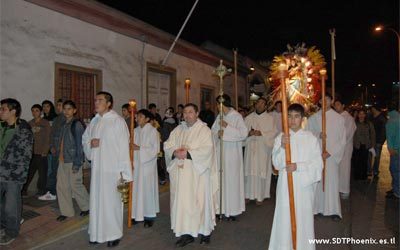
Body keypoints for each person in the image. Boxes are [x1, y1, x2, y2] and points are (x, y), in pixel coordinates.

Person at [269, 103, 323, 250]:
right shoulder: (281, 137)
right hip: (286, 186)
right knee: (284, 217)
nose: (293, 120)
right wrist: (281, 147)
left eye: (296, 116)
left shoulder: (310, 139)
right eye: (290, 116)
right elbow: (276, 164)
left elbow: (318, 165)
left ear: (302, 118)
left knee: (303, 218)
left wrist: (298, 166)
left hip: (304, 188)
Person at [82, 91, 132, 247]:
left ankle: (114, 234)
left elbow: (124, 148)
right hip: (97, 171)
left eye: (100, 100)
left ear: (109, 103)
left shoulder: (117, 121)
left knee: (111, 203)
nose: (96, 102)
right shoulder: (94, 121)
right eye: (95, 100)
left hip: (113, 170)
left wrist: (124, 173)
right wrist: (91, 143)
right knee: (97, 201)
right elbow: (85, 139)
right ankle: (97, 232)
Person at [164, 103, 218, 247]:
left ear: (197, 113)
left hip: (198, 174)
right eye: (185, 113)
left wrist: (188, 153)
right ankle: (186, 233)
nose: (187, 115)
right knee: (183, 203)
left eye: (190, 112)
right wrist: (174, 152)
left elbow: (208, 150)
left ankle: (205, 232)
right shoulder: (178, 129)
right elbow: (167, 145)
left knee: (199, 202)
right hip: (181, 175)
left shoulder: (204, 130)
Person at [305, 94, 346, 221]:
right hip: (318, 155)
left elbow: (342, 140)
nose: (324, 102)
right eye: (322, 100)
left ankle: (333, 210)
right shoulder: (313, 118)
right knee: (318, 182)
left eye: (327, 100)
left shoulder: (338, 119)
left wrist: (330, 152)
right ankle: (317, 208)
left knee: (331, 183)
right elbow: (308, 135)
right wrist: (318, 135)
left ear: (331, 101)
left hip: (331, 157)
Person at [0, 98, 33, 245]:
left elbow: (25, 157)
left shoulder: (23, 130)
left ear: (13, 111)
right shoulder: (2, 127)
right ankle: (4, 224)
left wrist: (17, 177)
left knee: (11, 206)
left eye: (3, 109)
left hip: (13, 174)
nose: (0, 111)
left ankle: (11, 232)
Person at [211, 94, 248, 220]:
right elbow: (213, 132)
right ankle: (219, 208)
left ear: (222, 104)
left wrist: (227, 128)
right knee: (220, 181)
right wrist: (217, 134)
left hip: (232, 155)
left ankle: (232, 210)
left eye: (217, 104)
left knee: (231, 182)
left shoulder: (236, 116)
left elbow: (243, 134)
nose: (216, 107)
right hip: (220, 154)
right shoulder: (218, 117)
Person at [55, 100, 89, 222]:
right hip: (62, 159)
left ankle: (86, 207)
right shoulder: (64, 124)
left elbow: (80, 145)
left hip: (73, 160)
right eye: (65, 109)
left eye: (69, 109)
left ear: (74, 110)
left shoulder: (77, 125)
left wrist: (78, 162)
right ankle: (67, 212)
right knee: (62, 186)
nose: (66, 111)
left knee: (76, 185)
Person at [244, 97, 277, 205]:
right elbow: (242, 132)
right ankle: (248, 195)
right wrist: (249, 133)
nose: (259, 105)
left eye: (262, 103)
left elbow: (273, 133)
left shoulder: (270, 118)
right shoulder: (248, 118)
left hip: (263, 149)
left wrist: (262, 133)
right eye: (258, 103)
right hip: (250, 148)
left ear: (265, 106)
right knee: (249, 171)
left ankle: (260, 196)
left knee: (261, 171)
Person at [131, 109, 160, 227]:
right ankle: (136, 215)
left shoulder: (153, 132)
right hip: (136, 165)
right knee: (136, 191)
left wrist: (139, 148)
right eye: (137, 116)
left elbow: (155, 150)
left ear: (147, 119)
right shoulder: (134, 131)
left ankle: (149, 215)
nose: (137, 118)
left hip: (147, 166)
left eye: (140, 116)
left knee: (147, 191)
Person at [22, 104, 51, 197]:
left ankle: (41, 190)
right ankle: (24, 190)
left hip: (41, 152)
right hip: (31, 152)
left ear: (41, 112)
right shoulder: (29, 123)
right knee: (29, 172)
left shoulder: (45, 123)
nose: (34, 113)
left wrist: (45, 150)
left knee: (42, 173)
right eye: (33, 111)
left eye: (37, 111)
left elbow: (48, 138)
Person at [39, 99, 65, 200]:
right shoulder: (57, 119)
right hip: (55, 150)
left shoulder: (68, 120)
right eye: (57, 105)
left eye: (60, 105)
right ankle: (52, 192)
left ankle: (54, 192)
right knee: (53, 172)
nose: (58, 107)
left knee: (56, 172)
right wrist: (51, 146)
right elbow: (52, 135)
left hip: (62, 151)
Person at [333, 99, 356, 199]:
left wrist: (338, 142)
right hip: (338, 147)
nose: (336, 106)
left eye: (338, 104)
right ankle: (339, 188)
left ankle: (345, 190)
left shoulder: (348, 118)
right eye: (335, 105)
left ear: (343, 105)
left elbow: (348, 134)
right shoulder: (337, 117)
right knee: (338, 168)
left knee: (345, 168)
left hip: (345, 147)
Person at [352, 109, 376, 180]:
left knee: (364, 161)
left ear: (365, 115)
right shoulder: (354, 123)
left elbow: (373, 134)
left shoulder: (369, 124)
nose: (361, 115)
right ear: (358, 115)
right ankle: (357, 176)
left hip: (366, 145)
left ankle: (363, 176)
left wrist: (372, 145)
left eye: (363, 114)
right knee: (356, 161)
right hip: (356, 145)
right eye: (360, 114)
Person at [385, 103, 399, 199]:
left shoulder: (391, 121)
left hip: (395, 150)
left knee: (395, 170)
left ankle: (397, 191)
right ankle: (395, 188)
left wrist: (391, 149)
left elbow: (390, 137)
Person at [370, 105, 387, 177]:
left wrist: (381, 141)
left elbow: (384, 131)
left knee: (377, 157)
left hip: (378, 141)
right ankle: (370, 170)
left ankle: (375, 170)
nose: (371, 110)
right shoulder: (371, 117)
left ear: (375, 109)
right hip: (371, 140)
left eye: (372, 109)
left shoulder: (381, 118)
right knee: (370, 156)